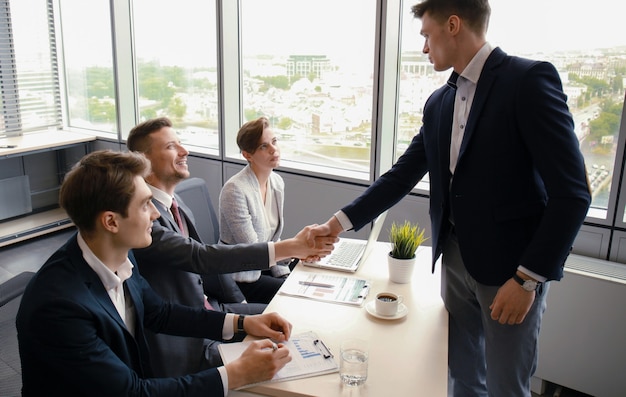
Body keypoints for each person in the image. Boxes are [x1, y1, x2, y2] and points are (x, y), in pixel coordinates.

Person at [307, 1, 591, 396]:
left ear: (453, 25)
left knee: (507, 386)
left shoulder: (526, 81)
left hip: (511, 273)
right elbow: (401, 176)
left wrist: (527, 280)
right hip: (455, 262)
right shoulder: (438, 102)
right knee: (460, 377)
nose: (424, 47)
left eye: (426, 34)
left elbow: (573, 193)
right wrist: (335, 224)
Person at [16, 150, 293, 397]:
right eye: (145, 204)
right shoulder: (59, 307)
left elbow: (160, 313)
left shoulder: (117, 254)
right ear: (111, 221)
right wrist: (237, 374)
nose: (155, 214)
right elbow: (131, 392)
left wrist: (243, 323)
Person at [126, 116, 335, 376]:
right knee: (282, 351)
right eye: (171, 147)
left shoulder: (175, 203)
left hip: (209, 309)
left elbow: (203, 269)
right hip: (186, 337)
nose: (185, 151)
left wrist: (241, 308)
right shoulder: (144, 219)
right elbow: (200, 257)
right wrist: (291, 248)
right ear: (143, 162)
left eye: (181, 143)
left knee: (288, 322)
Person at [219, 116, 296, 304]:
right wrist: (296, 249)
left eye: (274, 142)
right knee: (292, 296)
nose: (273, 149)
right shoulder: (235, 190)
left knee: (310, 278)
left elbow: (273, 239)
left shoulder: (276, 182)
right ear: (247, 155)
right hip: (242, 274)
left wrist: (299, 252)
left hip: (267, 265)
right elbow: (254, 250)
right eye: (263, 146)